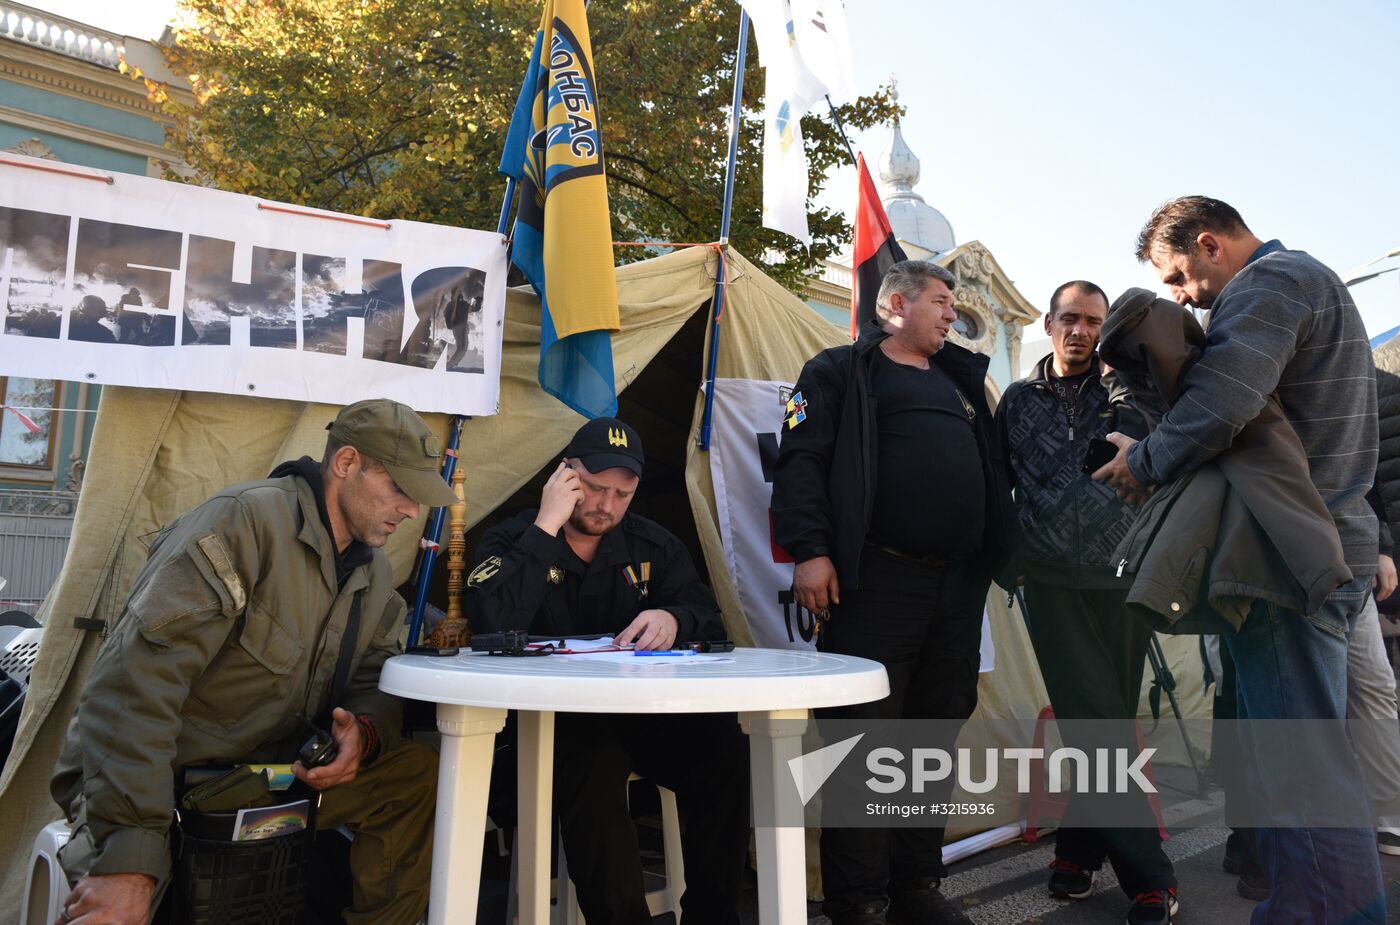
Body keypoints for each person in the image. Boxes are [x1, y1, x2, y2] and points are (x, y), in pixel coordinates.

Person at [50, 398, 456, 925]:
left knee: (416, 774)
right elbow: (131, 693)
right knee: (127, 899)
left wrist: (364, 731)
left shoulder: (371, 571)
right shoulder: (241, 525)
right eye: (400, 489)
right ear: (347, 463)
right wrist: (128, 860)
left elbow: (374, 670)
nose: (409, 511)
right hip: (165, 785)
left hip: (267, 774)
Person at [1096, 196, 1383, 924]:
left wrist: (1145, 463)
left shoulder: (1268, 284)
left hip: (1284, 558)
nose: (1181, 296)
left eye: (1179, 275)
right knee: (1302, 765)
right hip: (1321, 545)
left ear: (1208, 243)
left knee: (1296, 772)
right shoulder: (1313, 283)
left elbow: (1222, 404)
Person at [771, 259, 1017, 925]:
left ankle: (915, 886)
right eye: (941, 301)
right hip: (876, 580)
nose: (951, 313)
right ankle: (858, 898)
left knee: (930, 738)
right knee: (863, 740)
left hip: (958, 587)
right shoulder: (840, 372)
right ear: (896, 305)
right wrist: (812, 550)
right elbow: (801, 462)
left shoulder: (963, 383)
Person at [467, 417, 748, 925]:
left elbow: (705, 611)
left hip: (637, 719)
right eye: (595, 488)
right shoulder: (510, 538)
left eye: (623, 494)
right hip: (542, 730)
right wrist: (546, 526)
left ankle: (713, 916)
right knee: (591, 763)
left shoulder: (651, 545)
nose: (606, 505)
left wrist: (673, 617)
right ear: (564, 476)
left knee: (726, 749)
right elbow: (487, 622)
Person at [996, 280, 1177, 923]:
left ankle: (1076, 850)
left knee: (1101, 723)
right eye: (1069, 318)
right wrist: (1011, 563)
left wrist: (1123, 377)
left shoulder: (1127, 396)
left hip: (1123, 578)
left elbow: (1152, 456)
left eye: (1094, 321)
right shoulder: (1016, 400)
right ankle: (1151, 877)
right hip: (1048, 581)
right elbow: (998, 485)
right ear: (1047, 324)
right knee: (1094, 720)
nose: (1080, 330)